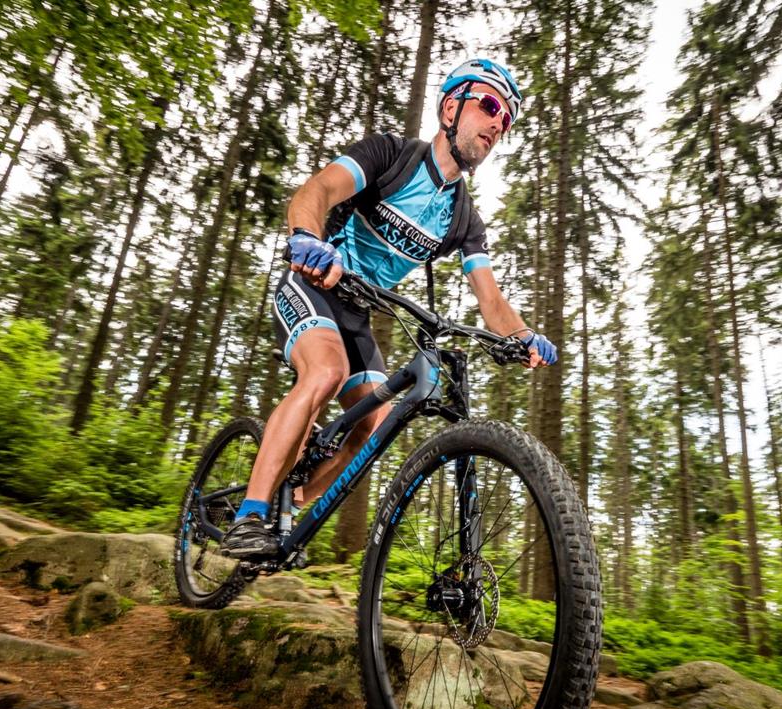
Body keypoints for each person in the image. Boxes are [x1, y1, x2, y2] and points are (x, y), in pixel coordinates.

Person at [221, 58, 558, 559]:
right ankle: (249, 515)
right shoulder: (391, 156)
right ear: (451, 107)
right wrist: (307, 238)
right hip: (313, 282)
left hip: (357, 315)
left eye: (506, 120)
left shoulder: (463, 218)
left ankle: (288, 507)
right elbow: (317, 190)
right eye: (490, 105)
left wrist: (523, 336)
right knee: (326, 372)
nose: (497, 124)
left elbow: (490, 299)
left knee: (374, 424)